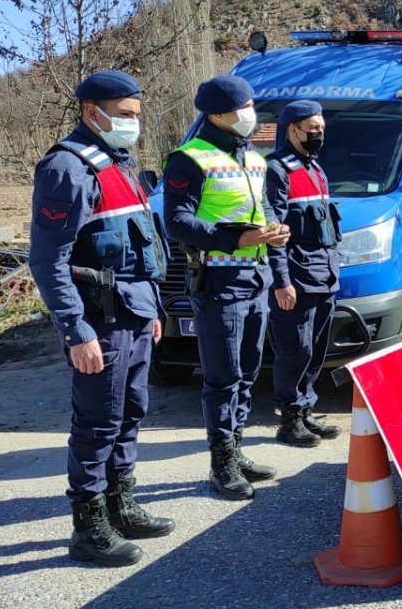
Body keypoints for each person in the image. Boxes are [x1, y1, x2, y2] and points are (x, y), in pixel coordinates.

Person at [29, 70, 175, 566]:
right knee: (97, 423)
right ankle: (88, 528)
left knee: (130, 415)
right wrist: (76, 330)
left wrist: (153, 309)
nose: (134, 124)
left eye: (137, 115)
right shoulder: (67, 169)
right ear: (93, 112)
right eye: (126, 115)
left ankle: (121, 505)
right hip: (100, 322)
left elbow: (142, 249)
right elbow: (48, 260)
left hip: (135, 317)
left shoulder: (121, 164)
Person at [163, 75, 290, 500]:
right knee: (222, 377)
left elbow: (264, 206)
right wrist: (234, 239)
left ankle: (237, 448)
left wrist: (274, 231)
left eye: (251, 105)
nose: (250, 114)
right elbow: (177, 221)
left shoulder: (254, 158)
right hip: (218, 280)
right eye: (242, 107)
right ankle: (222, 464)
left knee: (249, 371)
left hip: (256, 279)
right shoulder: (188, 158)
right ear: (216, 114)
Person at [265, 100, 343, 447]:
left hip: (324, 276)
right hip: (296, 279)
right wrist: (281, 281)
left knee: (315, 350)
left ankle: (306, 409)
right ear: (292, 129)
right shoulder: (277, 170)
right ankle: (289, 419)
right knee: (294, 349)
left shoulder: (315, 169)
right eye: (312, 128)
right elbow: (274, 232)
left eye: (322, 128)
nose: (319, 133)